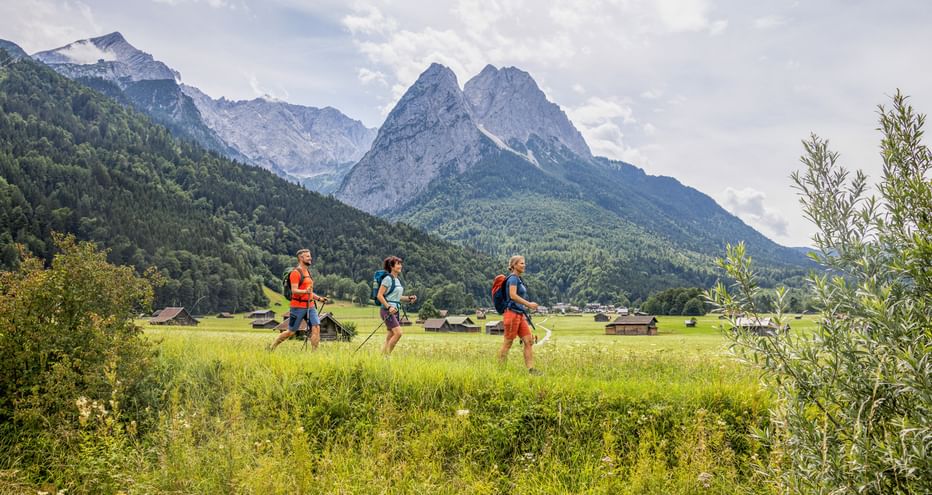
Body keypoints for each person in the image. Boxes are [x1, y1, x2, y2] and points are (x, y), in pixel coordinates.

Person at [269, 249, 329, 351]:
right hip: (297, 307)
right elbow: (294, 290)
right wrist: (305, 291)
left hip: (310, 306)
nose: (310, 258)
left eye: (310, 256)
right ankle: (272, 347)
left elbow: (309, 291)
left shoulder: (308, 272)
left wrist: (319, 299)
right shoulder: (295, 273)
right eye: (308, 256)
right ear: (301, 258)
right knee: (291, 332)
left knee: (316, 327)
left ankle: (314, 353)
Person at [497, 255, 542, 375]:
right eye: (522, 263)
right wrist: (529, 304)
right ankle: (500, 371)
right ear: (514, 265)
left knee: (528, 341)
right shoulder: (513, 279)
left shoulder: (518, 279)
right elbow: (512, 295)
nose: (524, 265)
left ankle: (531, 370)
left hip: (519, 314)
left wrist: (525, 307)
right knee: (508, 343)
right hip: (511, 314)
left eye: (524, 263)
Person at [376, 256, 417, 355]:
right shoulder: (387, 279)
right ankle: (387, 356)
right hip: (387, 311)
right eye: (398, 264)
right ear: (392, 266)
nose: (400, 266)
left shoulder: (397, 280)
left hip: (396, 310)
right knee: (398, 333)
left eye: (400, 264)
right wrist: (389, 307)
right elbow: (379, 295)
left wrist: (408, 298)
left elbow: (397, 297)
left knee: (390, 335)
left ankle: (380, 358)